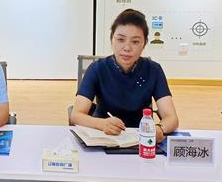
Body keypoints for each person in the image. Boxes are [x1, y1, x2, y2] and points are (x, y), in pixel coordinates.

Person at [70, 9, 179, 142]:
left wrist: (159, 129)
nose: (127, 48)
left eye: (135, 41)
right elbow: (76, 115)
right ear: (112, 40)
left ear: (144, 44)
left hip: (141, 139)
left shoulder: (153, 70)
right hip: (104, 137)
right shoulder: (97, 69)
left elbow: (171, 118)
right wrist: (102, 124)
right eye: (120, 39)